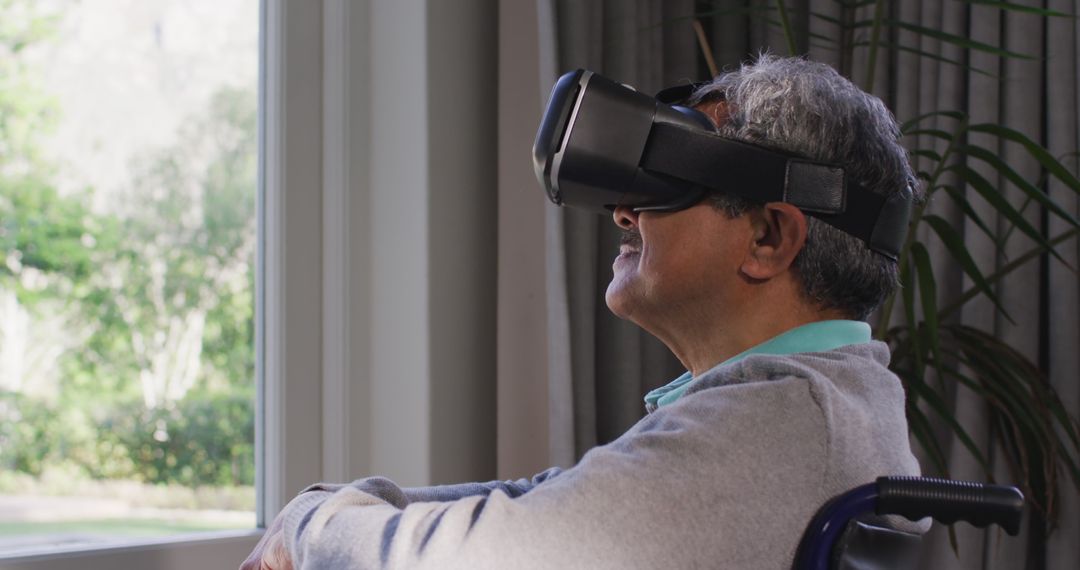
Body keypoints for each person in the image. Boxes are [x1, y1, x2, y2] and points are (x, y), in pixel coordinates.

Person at [241, 54, 925, 570]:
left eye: (666, 185)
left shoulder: (780, 422)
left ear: (769, 238)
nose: (624, 212)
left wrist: (311, 527)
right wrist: (346, 502)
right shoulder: (838, 400)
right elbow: (552, 499)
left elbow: (497, 556)